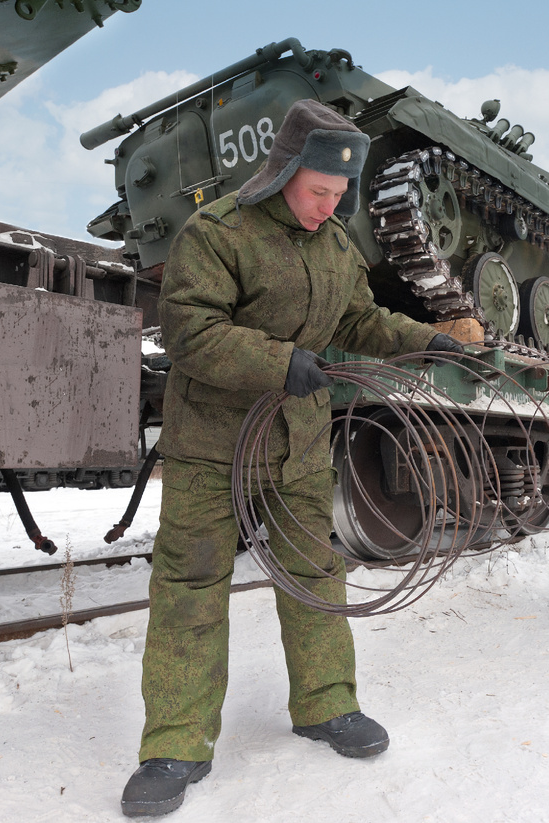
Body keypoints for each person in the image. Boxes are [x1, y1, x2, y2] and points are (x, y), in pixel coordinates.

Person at [120, 99, 463, 817]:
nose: (325, 208)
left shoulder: (337, 248)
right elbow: (189, 331)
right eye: (317, 193)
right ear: (284, 171)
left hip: (299, 444)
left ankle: (326, 704)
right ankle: (175, 744)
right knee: (191, 581)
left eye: (338, 197)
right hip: (214, 443)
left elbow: (357, 319)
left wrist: (422, 339)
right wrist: (279, 362)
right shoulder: (218, 233)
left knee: (314, 572)